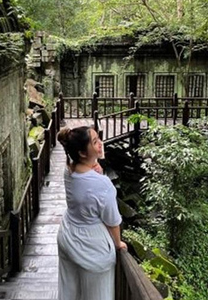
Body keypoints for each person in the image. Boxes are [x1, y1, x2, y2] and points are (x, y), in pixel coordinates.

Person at [56, 125, 126, 300]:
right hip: (92, 247)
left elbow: (87, 179)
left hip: (67, 234)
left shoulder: (68, 170)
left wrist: (98, 168)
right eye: (95, 142)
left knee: (70, 293)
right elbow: (112, 221)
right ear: (82, 153)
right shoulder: (102, 185)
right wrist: (118, 243)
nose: (100, 144)